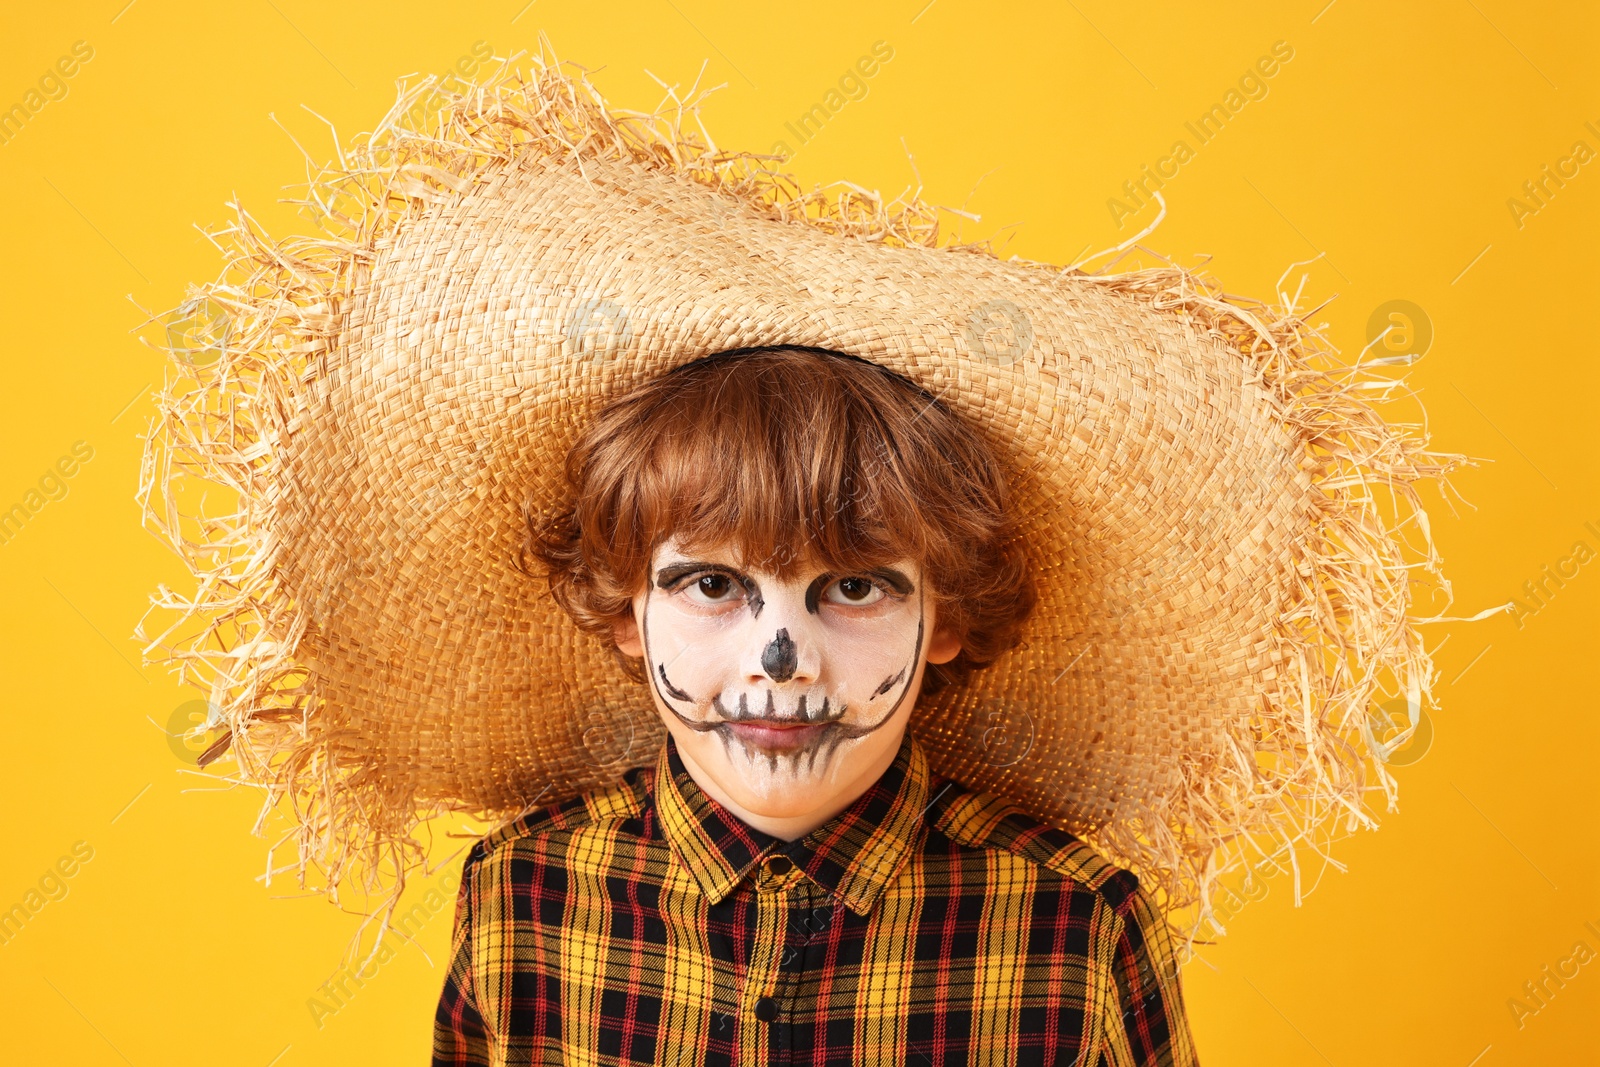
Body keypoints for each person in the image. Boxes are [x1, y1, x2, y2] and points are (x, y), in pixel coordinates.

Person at [431, 346, 1197, 1065]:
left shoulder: (1080, 929)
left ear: (948, 618)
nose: (781, 661)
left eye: (854, 587)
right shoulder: (518, 893)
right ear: (628, 611)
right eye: (714, 585)